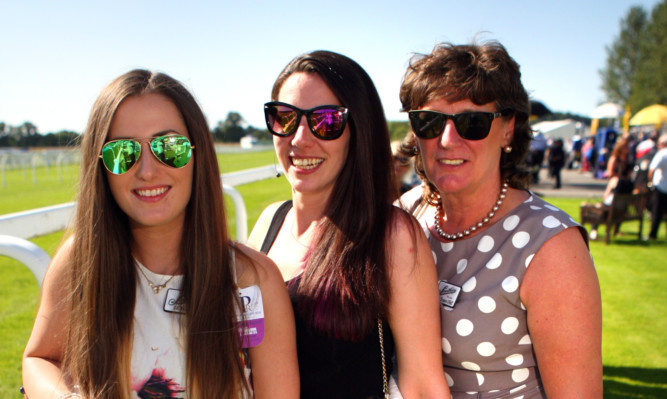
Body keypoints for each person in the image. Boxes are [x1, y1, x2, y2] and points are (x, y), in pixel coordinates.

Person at [22, 70, 299, 399]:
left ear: (197, 155)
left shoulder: (253, 279)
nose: (147, 170)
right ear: (101, 168)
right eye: (123, 152)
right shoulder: (79, 262)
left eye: (170, 147)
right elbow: (39, 358)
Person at [396, 41, 602, 398]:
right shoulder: (404, 214)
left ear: (509, 129)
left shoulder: (550, 246)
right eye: (429, 122)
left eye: (471, 122)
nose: (447, 140)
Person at [248, 50, 450, 398]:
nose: (299, 138)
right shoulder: (269, 221)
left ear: (359, 130)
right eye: (285, 118)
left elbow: (423, 384)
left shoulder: (390, 234)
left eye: (326, 121)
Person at [647, 133, 667, 240]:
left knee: (656, 213)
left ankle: (652, 235)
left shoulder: (662, 154)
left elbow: (652, 169)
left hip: (659, 186)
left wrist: (650, 182)